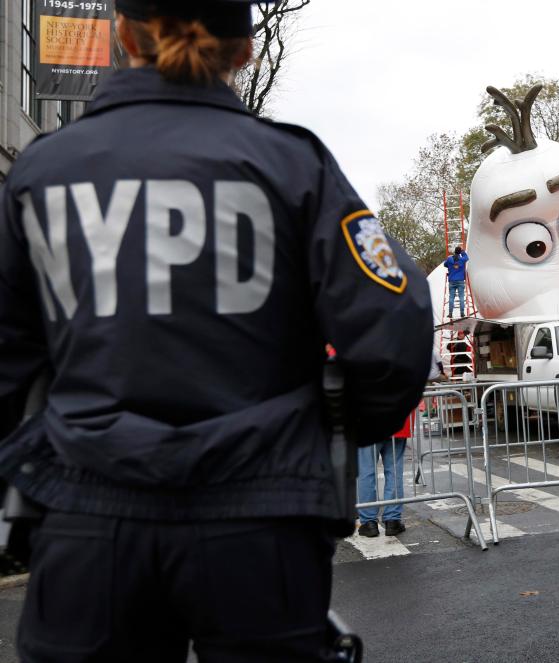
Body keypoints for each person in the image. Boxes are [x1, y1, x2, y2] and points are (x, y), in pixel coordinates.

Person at [0, 2, 433, 660]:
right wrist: (320, 431)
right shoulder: (293, 166)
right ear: (246, 52)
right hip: (260, 520)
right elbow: (392, 330)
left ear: (123, 34)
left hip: (90, 513)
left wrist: (42, 454)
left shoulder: (42, 170)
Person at [357, 412, 415, 538]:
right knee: (394, 471)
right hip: (396, 421)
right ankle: (393, 520)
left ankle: (369, 522)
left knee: (366, 471)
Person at [444, 246, 469, 318]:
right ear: (460, 252)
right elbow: (467, 257)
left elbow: (445, 264)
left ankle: (450, 313)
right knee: (461, 297)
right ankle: (462, 313)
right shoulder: (462, 259)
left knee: (451, 297)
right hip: (460, 280)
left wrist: (451, 266)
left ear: (454, 251)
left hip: (452, 280)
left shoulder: (449, 259)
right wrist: (463, 251)